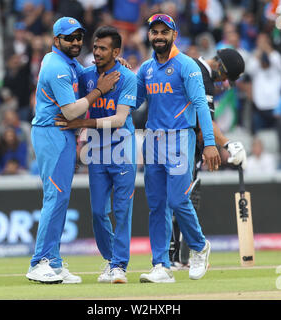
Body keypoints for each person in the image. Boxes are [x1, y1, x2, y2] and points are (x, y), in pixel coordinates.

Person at [25, 17, 120, 284]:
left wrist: (114, 66)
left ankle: (53, 262)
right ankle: (39, 262)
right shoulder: (57, 66)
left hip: (61, 135)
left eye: (79, 37)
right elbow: (71, 111)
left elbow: (86, 75)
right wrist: (99, 91)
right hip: (52, 133)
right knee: (55, 197)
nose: (76, 42)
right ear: (57, 40)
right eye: (70, 38)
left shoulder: (65, 62)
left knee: (60, 198)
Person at [135, 14, 221, 283]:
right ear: (149, 36)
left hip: (181, 138)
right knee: (157, 205)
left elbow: (201, 108)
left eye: (164, 32)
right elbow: (133, 102)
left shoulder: (187, 66)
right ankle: (161, 265)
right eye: (154, 32)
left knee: (177, 200)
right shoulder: (145, 69)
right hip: (153, 140)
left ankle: (199, 246)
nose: (158, 36)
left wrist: (209, 143)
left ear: (174, 35)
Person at [55, 26, 138, 284]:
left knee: (122, 210)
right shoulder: (86, 75)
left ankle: (119, 266)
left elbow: (120, 119)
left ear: (116, 52)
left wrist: (81, 124)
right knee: (98, 212)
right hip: (96, 152)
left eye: (103, 48)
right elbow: (72, 93)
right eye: (96, 47)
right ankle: (111, 259)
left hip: (122, 150)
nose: (97, 52)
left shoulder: (127, 77)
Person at [169, 48, 248, 269]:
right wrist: (226, 144)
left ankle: (174, 257)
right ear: (220, 65)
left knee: (179, 202)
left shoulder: (195, 70)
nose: (225, 83)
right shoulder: (200, 74)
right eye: (226, 77)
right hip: (182, 146)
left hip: (179, 145)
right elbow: (204, 123)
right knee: (179, 202)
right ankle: (175, 256)